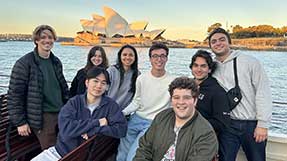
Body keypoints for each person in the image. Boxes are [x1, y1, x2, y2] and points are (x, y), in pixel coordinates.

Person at [31, 67, 127, 161]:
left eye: (103, 83)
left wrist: (94, 130)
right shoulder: (74, 103)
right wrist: (97, 122)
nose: (99, 86)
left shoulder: (111, 106)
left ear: (106, 87)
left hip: (77, 155)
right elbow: (66, 129)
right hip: (61, 153)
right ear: (87, 82)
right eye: (95, 81)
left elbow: (122, 129)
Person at [208, 28, 272, 161]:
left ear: (229, 42)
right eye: (213, 41)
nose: (218, 43)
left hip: (252, 124)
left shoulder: (249, 62)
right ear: (210, 46)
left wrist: (263, 124)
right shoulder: (211, 67)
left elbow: (263, 91)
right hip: (227, 126)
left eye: (222, 39)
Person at [7, 25, 69, 150]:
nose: (47, 40)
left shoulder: (56, 61)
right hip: (42, 117)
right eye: (43, 37)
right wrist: (20, 122)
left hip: (61, 112)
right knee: (52, 152)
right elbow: (15, 95)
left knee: (68, 147)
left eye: (50, 37)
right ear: (36, 40)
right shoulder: (24, 63)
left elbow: (62, 88)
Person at [133, 77, 218, 161]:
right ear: (171, 100)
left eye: (186, 97)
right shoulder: (162, 117)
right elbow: (144, 149)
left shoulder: (206, 133)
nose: (181, 102)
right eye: (176, 97)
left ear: (195, 101)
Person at [116, 43, 175, 161]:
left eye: (162, 56)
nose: (159, 59)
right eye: (155, 56)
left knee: (133, 155)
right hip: (136, 119)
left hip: (153, 124)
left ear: (167, 58)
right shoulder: (142, 78)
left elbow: (174, 107)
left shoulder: (173, 81)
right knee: (121, 154)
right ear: (150, 59)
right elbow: (136, 102)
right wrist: (121, 113)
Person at [190, 49, 230, 134]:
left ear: (209, 69)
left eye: (203, 66)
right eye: (196, 65)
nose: (199, 69)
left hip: (206, 137)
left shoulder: (217, 92)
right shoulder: (187, 86)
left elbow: (222, 123)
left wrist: (196, 124)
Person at [107, 44, 139, 110]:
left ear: (135, 58)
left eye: (131, 55)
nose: (127, 57)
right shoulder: (111, 71)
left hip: (124, 112)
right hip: (107, 109)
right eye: (124, 55)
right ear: (120, 56)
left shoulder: (137, 74)